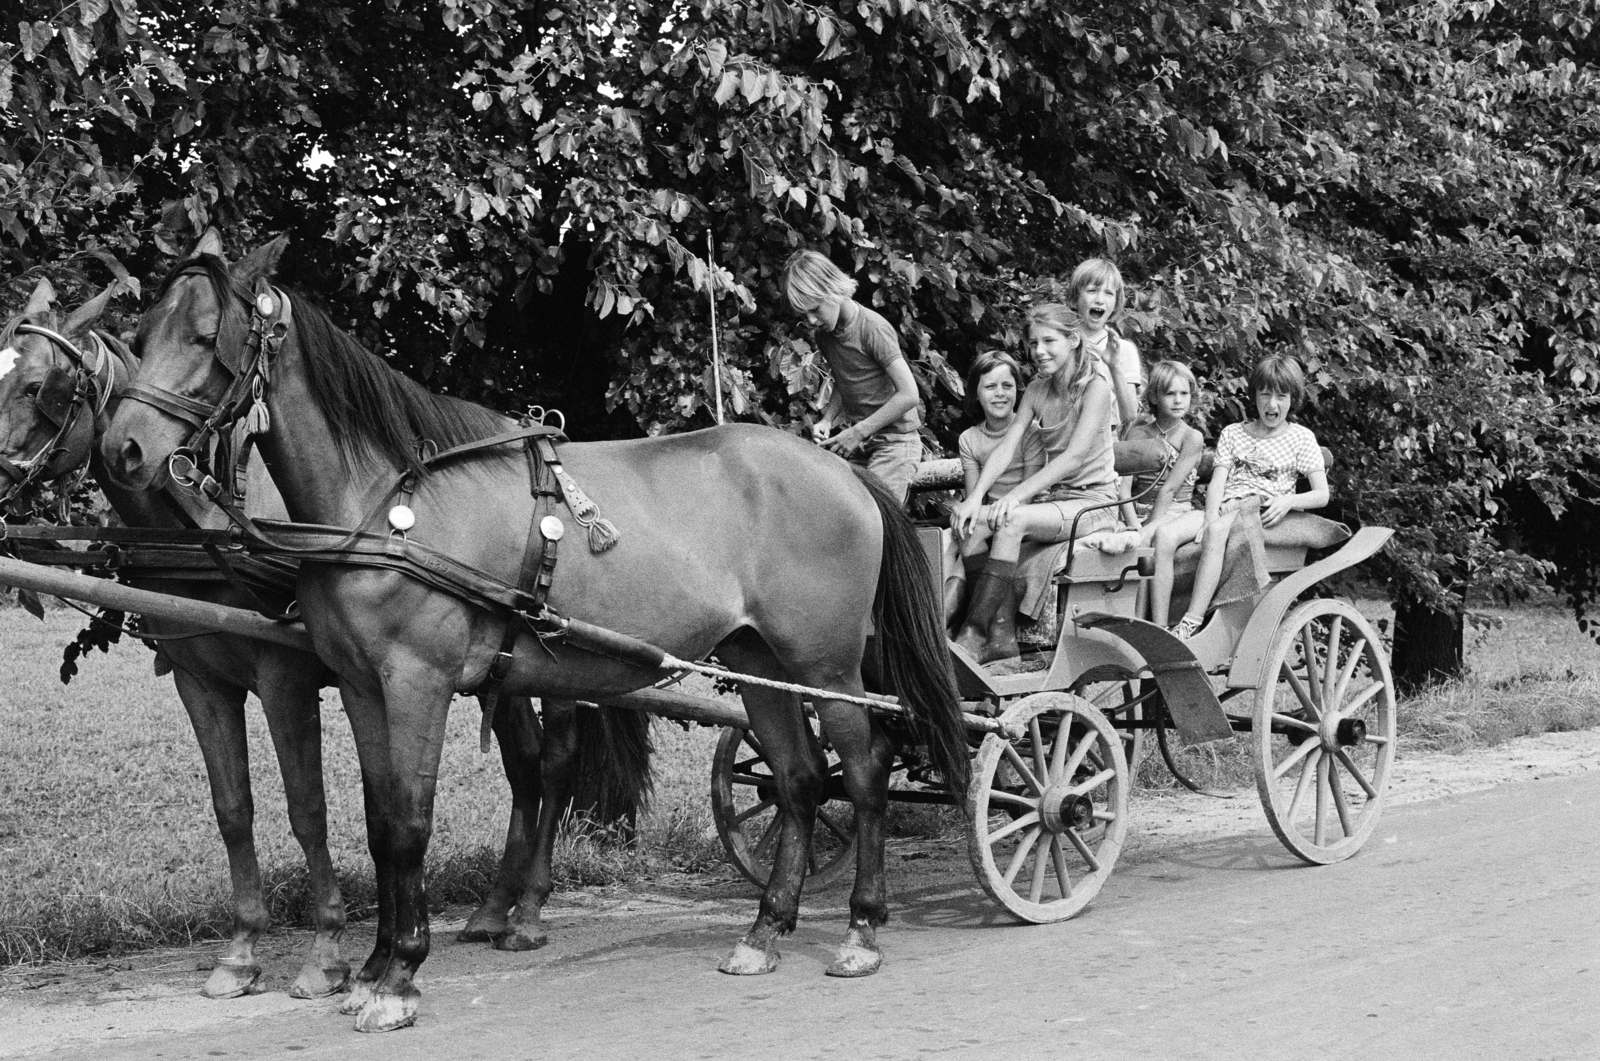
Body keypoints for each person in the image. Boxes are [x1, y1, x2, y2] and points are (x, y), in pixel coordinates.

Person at [951, 304, 1119, 662]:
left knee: (1012, 519)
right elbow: (1007, 445)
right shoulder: (1038, 389)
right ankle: (1001, 637)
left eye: (1049, 341)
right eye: (1033, 343)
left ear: (1073, 339)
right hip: (1056, 502)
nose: (1038, 351)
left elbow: (1072, 457)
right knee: (972, 527)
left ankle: (972, 633)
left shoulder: (1095, 389)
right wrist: (975, 498)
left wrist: (1014, 497)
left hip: (1094, 504)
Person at [1167, 355, 1329, 640]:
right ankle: (1170, 617)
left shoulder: (1300, 438)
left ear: (1293, 399)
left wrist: (1288, 501)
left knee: (1217, 531)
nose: (1272, 404)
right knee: (1188, 535)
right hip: (1230, 508)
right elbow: (1218, 481)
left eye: (1281, 396)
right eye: (1265, 394)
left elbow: (1322, 495)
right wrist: (1209, 514)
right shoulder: (1233, 433)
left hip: (1264, 510)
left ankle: (1191, 621)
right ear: (1254, 395)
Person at [780, 249, 924, 504]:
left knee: (876, 522)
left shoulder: (873, 328)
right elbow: (843, 378)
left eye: (814, 309)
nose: (811, 320)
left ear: (833, 290)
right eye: (803, 316)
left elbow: (910, 395)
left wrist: (857, 431)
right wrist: (827, 420)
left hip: (895, 443)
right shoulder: (825, 335)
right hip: (861, 444)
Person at [951, 351, 1044, 613]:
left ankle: (950, 622)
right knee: (952, 540)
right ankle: (940, 618)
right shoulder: (970, 439)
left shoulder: (1031, 432)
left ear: (1018, 390)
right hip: (987, 514)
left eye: (1007, 385)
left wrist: (991, 518)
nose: (1000, 393)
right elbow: (974, 498)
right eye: (990, 386)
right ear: (976, 394)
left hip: (1022, 513)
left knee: (965, 548)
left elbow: (1028, 495)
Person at [1120, 361, 1206, 626]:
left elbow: (1169, 490)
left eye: (1184, 394)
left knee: (1151, 541)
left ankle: (1158, 625)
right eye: (1170, 394)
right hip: (1138, 510)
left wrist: (1146, 529)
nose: (1178, 401)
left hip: (1176, 512)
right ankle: (1126, 618)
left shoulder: (1191, 438)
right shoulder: (1138, 432)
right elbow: (1124, 488)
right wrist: (1134, 523)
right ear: (1155, 396)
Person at [1068, 258, 1142, 431]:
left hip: (1104, 439)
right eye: (1092, 290)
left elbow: (1130, 414)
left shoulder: (1123, 350)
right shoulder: (1060, 342)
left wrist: (1114, 366)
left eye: (1109, 293)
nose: (1100, 300)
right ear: (1074, 298)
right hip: (1062, 436)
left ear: (1116, 302)